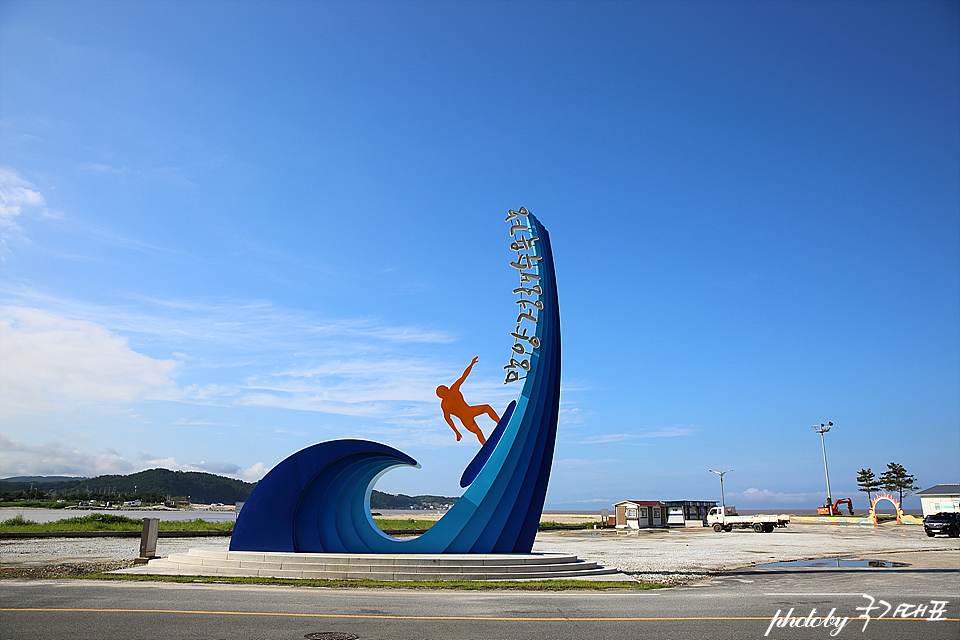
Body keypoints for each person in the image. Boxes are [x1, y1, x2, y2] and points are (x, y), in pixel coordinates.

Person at [436, 357, 500, 445]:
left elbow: (464, 376)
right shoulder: (451, 394)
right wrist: (456, 432)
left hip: (466, 418)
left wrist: (457, 432)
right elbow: (448, 419)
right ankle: (487, 442)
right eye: (445, 388)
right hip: (468, 414)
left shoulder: (447, 400)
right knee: (486, 410)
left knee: (479, 429)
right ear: (443, 393)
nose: (447, 387)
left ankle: (497, 425)